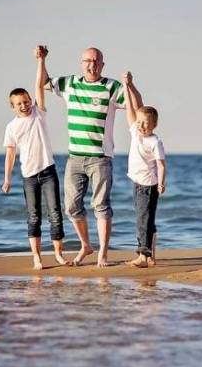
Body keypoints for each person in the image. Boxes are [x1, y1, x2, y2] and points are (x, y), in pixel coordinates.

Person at [45, 47, 138, 267]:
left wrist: (130, 85)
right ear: (82, 63)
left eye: (96, 61)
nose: (92, 65)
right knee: (71, 207)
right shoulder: (70, 83)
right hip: (74, 157)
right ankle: (86, 245)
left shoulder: (112, 87)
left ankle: (102, 254)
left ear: (102, 65)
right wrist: (41, 60)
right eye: (88, 61)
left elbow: (137, 106)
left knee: (101, 205)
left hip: (100, 158)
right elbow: (44, 83)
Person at [2, 46, 66, 270]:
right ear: (12, 106)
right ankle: (37, 257)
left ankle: (58, 254)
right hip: (28, 176)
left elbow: (39, 85)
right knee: (33, 217)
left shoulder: (39, 113)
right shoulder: (11, 127)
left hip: (48, 171)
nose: (24, 105)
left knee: (55, 214)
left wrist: (41, 60)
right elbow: (10, 154)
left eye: (26, 101)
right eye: (19, 103)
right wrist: (7, 178)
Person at [122, 71, 166, 268]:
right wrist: (128, 86)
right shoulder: (135, 132)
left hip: (148, 185)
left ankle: (142, 256)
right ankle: (151, 256)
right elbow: (134, 105)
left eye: (145, 123)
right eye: (139, 122)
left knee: (143, 220)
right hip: (138, 183)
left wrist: (162, 183)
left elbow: (161, 164)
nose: (141, 125)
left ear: (154, 125)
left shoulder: (154, 142)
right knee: (147, 220)